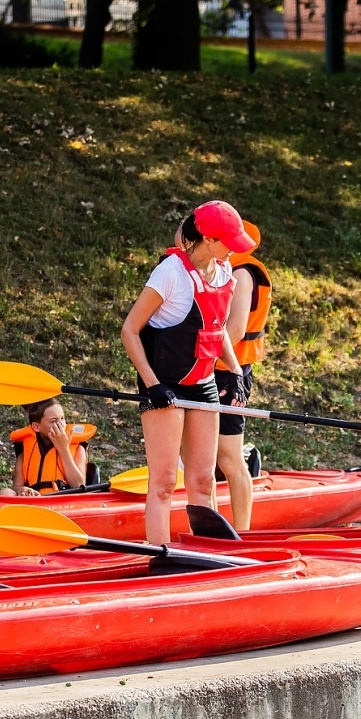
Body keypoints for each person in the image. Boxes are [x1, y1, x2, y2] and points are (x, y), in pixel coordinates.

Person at [121, 200, 254, 545]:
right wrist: (152, 385)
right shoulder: (170, 274)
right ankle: (159, 554)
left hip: (204, 385)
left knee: (203, 481)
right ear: (208, 239)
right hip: (164, 386)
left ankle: (205, 552)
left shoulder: (226, 275)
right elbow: (130, 331)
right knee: (165, 481)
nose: (232, 250)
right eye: (228, 241)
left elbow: (216, 327)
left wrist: (237, 371)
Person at [215, 220, 270, 531]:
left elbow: (234, 330)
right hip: (213, 370)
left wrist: (202, 360)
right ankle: (208, 527)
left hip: (229, 373)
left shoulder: (242, 273)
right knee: (204, 461)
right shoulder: (224, 269)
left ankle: (244, 530)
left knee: (229, 458)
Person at [1, 399, 94, 496]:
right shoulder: (26, 449)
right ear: (36, 427)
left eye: (62, 418)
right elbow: (16, 486)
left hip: (62, 503)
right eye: (53, 421)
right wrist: (21, 489)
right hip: (33, 501)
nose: (61, 425)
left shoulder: (78, 447)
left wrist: (63, 448)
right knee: (4, 492)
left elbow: (79, 485)